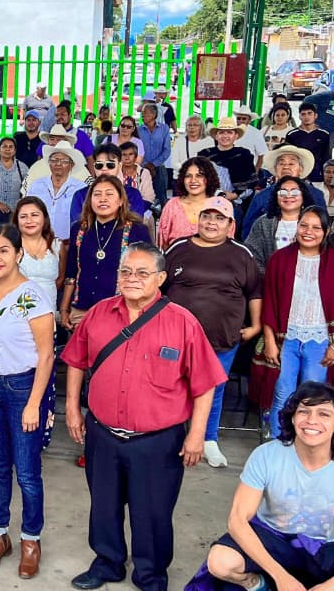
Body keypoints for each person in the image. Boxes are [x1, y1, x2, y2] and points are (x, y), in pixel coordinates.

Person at [62, 242, 226, 591]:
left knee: (152, 512)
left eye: (141, 272)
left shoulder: (182, 322)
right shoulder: (99, 313)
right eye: (125, 271)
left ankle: (150, 574)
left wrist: (197, 435)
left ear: (161, 278)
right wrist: (73, 408)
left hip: (157, 441)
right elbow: (76, 361)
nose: (131, 278)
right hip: (103, 433)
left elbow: (205, 384)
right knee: (103, 505)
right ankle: (108, 563)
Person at [193, 383, 334, 591]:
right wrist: (280, 576)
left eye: (324, 414)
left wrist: (332, 587)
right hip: (271, 534)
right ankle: (258, 584)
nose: (312, 420)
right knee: (221, 561)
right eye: (303, 412)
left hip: (328, 543)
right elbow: (237, 520)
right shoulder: (266, 455)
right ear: (293, 418)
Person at [0, 224, 54, 579]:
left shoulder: (33, 296)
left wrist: (34, 403)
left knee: (28, 472)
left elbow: (46, 355)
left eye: (4, 250)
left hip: (22, 388)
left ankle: (31, 540)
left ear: (19, 253)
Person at [164, 197, 263, 468]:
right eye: (207, 216)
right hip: (176, 336)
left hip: (223, 337)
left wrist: (255, 325)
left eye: (220, 218)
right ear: (198, 219)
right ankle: (170, 438)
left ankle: (208, 439)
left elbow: (254, 291)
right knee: (171, 385)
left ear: (230, 225)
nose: (211, 223)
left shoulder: (242, 253)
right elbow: (158, 286)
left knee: (213, 388)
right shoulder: (178, 247)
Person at [260, 204, 334, 434]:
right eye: (303, 225)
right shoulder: (279, 259)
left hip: (320, 340)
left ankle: (306, 441)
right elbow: (269, 303)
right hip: (286, 339)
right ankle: (279, 442)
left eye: (316, 227)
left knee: (312, 396)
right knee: (282, 393)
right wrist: (270, 341)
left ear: (326, 231)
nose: (308, 232)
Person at [60, 176, 153, 330]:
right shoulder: (79, 229)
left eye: (109, 194)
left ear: (121, 200)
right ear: (89, 200)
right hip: (82, 311)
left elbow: (147, 274)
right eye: (97, 194)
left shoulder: (137, 230)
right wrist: (64, 310)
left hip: (122, 311)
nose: (103, 199)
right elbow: (71, 274)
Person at [242, 146, 324, 238]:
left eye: (291, 164)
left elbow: (323, 225)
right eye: (281, 163)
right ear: (275, 169)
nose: (286, 167)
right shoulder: (262, 196)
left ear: (300, 169)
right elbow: (248, 230)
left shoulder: (316, 194)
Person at [245, 176, 317, 271]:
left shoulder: (315, 222)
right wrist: (269, 276)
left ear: (303, 196)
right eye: (283, 192)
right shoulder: (264, 223)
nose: (288, 196)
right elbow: (251, 254)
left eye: (294, 192)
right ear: (276, 197)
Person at [158, 158, 228, 248]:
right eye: (188, 176)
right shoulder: (172, 205)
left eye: (199, 175)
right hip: (177, 256)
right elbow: (163, 243)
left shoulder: (220, 206)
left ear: (209, 178)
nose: (193, 180)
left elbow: (228, 245)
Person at [25, 145, 88, 239]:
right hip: (39, 240)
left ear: (71, 165)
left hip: (68, 242)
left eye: (64, 161)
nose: (58, 164)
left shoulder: (80, 188)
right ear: (49, 163)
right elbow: (26, 211)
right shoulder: (36, 185)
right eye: (54, 160)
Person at [0, 137, 29, 233]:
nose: (7, 149)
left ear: (15, 150)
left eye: (11, 147)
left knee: (12, 237)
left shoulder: (23, 167)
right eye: (4, 146)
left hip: (14, 211)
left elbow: (26, 189)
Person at [201, 117, 257, 195]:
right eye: (221, 132)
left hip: (236, 199)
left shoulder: (244, 154)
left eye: (229, 132)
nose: (225, 136)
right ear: (216, 136)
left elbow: (250, 183)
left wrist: (235, 195)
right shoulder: (205, 154)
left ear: (236, 136)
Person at [136, 102, 173, 206]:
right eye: (142, 113)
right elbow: (136, 149)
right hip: (142, 167)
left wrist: (153, 164)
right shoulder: (138, 130)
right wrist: (146, 165)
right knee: (143, 196)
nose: (143, 115)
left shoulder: (164, 129)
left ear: (154, 115)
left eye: (145, 113)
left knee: (162, 198)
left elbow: (167, 150)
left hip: (159, 167)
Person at [286, 102, 333, 182]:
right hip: (297, 175)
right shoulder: (292, 135)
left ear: (315, 115)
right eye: (303, 114)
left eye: (309, 113)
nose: (306, 117)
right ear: (299, 116)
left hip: (317, 175)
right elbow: (289, 157)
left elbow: (326, 157)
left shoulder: (324, 134)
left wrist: (326, 177)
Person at [117, 141, 155, 206]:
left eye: (130, 154)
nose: (127, 158)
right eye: (124, 155)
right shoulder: (115, 171)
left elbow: (149, 197)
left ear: (135, 157)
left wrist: (136, 208)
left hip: (140, 207)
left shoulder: (144, 173)